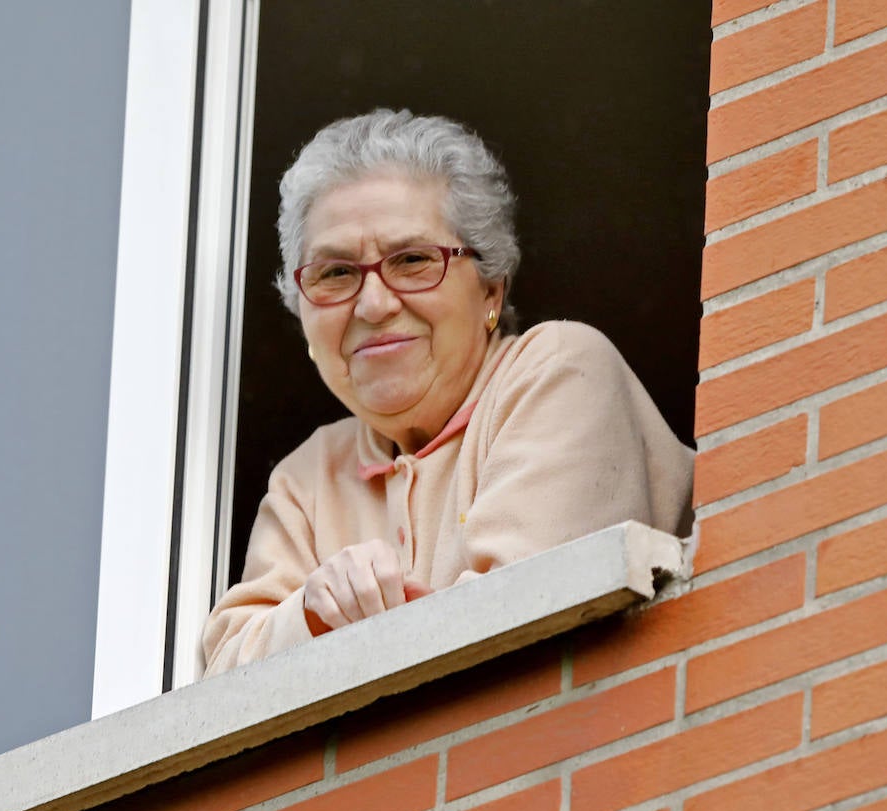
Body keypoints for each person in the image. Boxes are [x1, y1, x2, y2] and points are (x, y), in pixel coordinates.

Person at [202, 109, 693, 675]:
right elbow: (220, 693)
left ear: (489, 287)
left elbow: (508, 644)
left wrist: (340, 645)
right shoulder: (307, 478)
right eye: (335, 274)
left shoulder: (560, 371)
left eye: (412, 261)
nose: (373, 305)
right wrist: (309, 616)